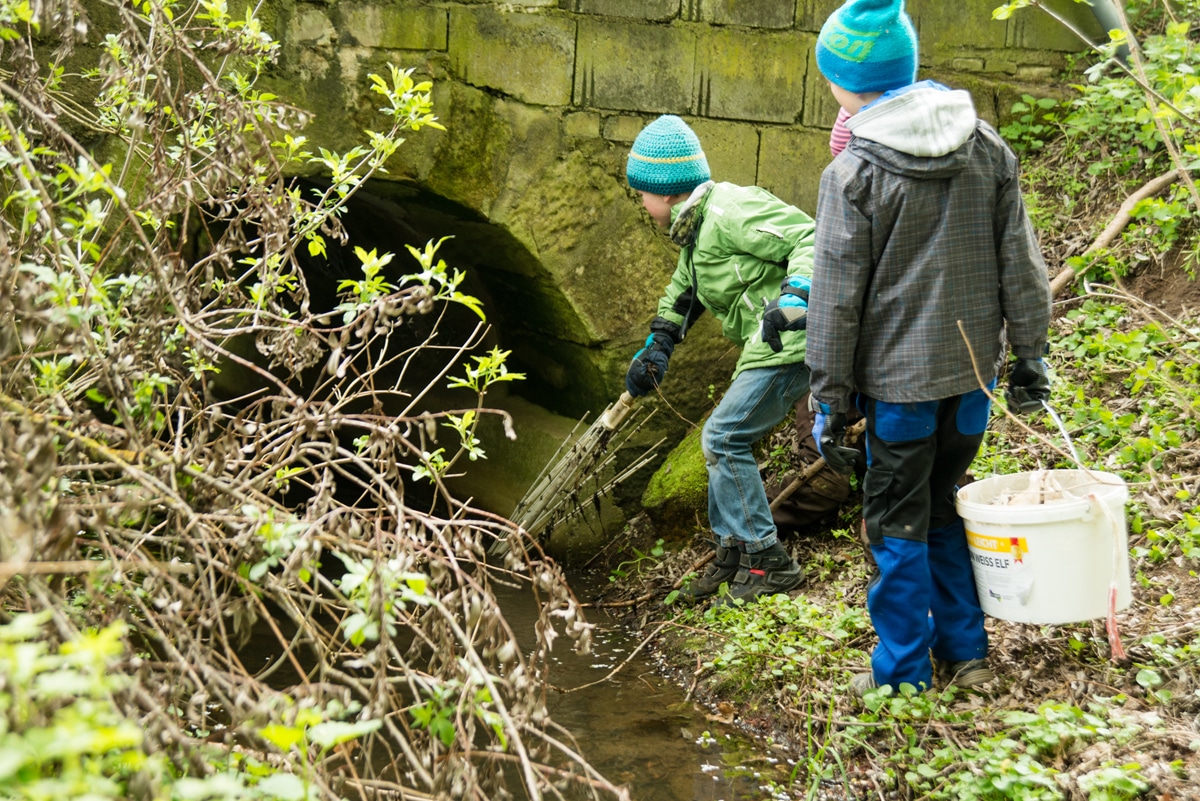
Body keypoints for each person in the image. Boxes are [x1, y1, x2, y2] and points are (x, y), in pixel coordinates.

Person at [806, 0, 1052, 695]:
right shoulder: (988, 148)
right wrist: (1031, 356)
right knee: (943, 502)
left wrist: (829, 398)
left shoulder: (852, 175)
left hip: (900, 392)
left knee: (895, 523)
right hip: (973, 384)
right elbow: (1023, 269)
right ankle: (968, 657)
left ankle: (903, 675)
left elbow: (835, 303)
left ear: (845, 82)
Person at [623, 114, 816, 605]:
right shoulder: (697, 230)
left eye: (640, 193)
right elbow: (683, 295)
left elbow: (809, 236)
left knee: (724, 437)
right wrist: (658, 346)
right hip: (766, 347)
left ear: (664, 191)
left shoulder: (731, 209)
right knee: (721, 441)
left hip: (793, 340)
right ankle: (731, 553)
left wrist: (796, 297)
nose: (640, 204)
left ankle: (767, 559)